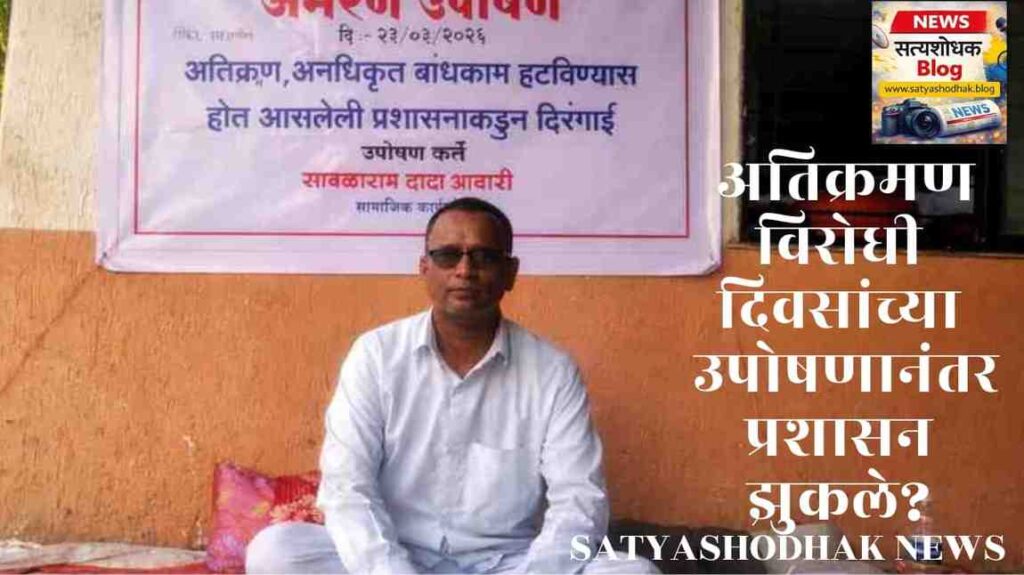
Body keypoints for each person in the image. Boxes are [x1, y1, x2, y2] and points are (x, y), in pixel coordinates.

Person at [246, 198, 659, 574]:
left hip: (507, 563)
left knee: (633, 573)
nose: (465, 270)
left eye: (484, 256)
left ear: (510, 273)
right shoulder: (376, 355)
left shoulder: (552, 371)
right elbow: (346, 485)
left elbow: (579, 500)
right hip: (398, 556)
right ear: (424, 267)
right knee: (277, 551)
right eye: (447, 256)